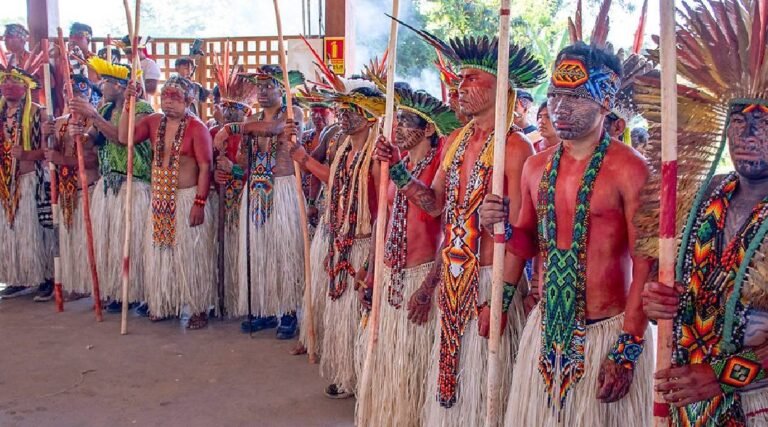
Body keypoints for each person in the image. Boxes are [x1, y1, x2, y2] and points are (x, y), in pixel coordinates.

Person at [482, 12, 655, 424]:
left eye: (574, 98)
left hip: (607, 331)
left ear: (605, 102)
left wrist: (627, 348)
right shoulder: (535, 166)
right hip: (546, 328)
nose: (559, 108)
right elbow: (524, 240)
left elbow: (647, 263)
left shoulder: (630, 169)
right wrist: (500, 297)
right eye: (555, 95)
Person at [375, 32, 545, 425]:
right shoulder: (454, 140)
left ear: (500, 87)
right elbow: (435, 205)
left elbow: (522, 234)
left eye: (471, 78)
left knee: (485, 387)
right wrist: (397, 168)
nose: (460, 86)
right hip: (452, 279)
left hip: (489, 279)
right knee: (453, 383)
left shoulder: (516, 147)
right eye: (460, 78)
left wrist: (500, 300)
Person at [639, 0, 768, 424]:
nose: (748, 134)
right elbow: (672, 289)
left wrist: (721, 376)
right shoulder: (707, 195)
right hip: (689, 402)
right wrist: (659, 300)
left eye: (764, 123)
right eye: (739, 122)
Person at [355, 82, 460, 427]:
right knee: (390, 362)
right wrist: (372, 271)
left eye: (405, 122)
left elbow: (434, 207)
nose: (396, 127)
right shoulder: (395, 165)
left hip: (420, 276)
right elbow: (383, 222)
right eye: (396, 120)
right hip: (391, 275)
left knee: (415, 366)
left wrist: (429, 288)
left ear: (428, 129)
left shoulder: (442, 163)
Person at [289, 76, 385, 398]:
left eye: (351, 110)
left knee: (360, 315)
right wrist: (302, 157)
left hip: (363, 242)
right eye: (341, 109)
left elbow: (380, 210)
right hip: (340, 238)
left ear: (370, 116)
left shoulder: (378, 156)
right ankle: (347, 374)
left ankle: (363, 378)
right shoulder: (343, 147)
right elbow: (335, 180)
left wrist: (371, 260)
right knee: (341, 314)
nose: (343, 115)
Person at [213, 65, 305, 338]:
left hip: (283, 188)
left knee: (283, 252)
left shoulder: (293, 113)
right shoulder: (251, 121)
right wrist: (230, 167)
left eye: (269, 86)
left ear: (282, 89)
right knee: (259, 251)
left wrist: (231, 128)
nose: (262, 91)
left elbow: (274, 128)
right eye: (260, 87)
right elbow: (244, 165)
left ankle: (288, 312)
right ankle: (264, 309)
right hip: (255, 189)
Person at [118, 75, 214, 329]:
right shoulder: (153, 122)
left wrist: (199, 202)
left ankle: (198, 307)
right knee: (161, 253)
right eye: (165, 96)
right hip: (160, 198)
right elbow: (125, 138)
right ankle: (164, 303)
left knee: (191, 256)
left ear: (189, 100)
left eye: (175, 97)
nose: (168, 102)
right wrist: (129, 104)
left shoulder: (197, 128)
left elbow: (206, 167)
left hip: (186, 198)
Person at [68, 56, 154, 311]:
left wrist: (93, 115)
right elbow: (93, 139)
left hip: (133, 184)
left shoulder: (141, 109)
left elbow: (121, 139)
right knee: (111, 243)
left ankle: (138, 292)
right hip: (108, 184)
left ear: (119, 85)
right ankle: (118, 291)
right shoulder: (105, 109)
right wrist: (79, 135)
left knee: (132, 243)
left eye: (105, 81)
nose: (101, 86)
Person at [0, 62, 54, 300]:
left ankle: (46, 278)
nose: (8, 85)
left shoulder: (38, 113)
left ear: (26, 87)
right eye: (5, 80)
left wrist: (26, 155)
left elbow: (48, 151)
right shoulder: (1, 113)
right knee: (11, 233)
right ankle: (19, 277)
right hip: (5, 183)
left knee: (37, 232)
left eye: (14, 81)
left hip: (31, 180)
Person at [209, 63, 259, 317]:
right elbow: (203, 167)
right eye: (225, 108)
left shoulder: (253, 136)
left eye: (234, 109)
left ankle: (243, 300)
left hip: (245, 203)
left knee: (243, 250)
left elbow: (258, 174)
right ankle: (223, 298)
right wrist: (214, 175)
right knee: (220, 248)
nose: (228, 114)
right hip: (219, 202)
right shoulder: (212, 132)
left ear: (246, 112)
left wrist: (234, 170)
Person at [44, 75, 100, 299]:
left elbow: (95, 161)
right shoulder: (59, 122)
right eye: (70, 94)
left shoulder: (95, 123)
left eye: (79, 94)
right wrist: (47, 136)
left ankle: (94, 285)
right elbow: (51, 154)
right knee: (70, 241)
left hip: (89, 189)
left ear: (88, 95)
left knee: (90, 241)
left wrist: (62, 160)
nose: (74, 99)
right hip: (66, 190)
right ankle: (76, 283)